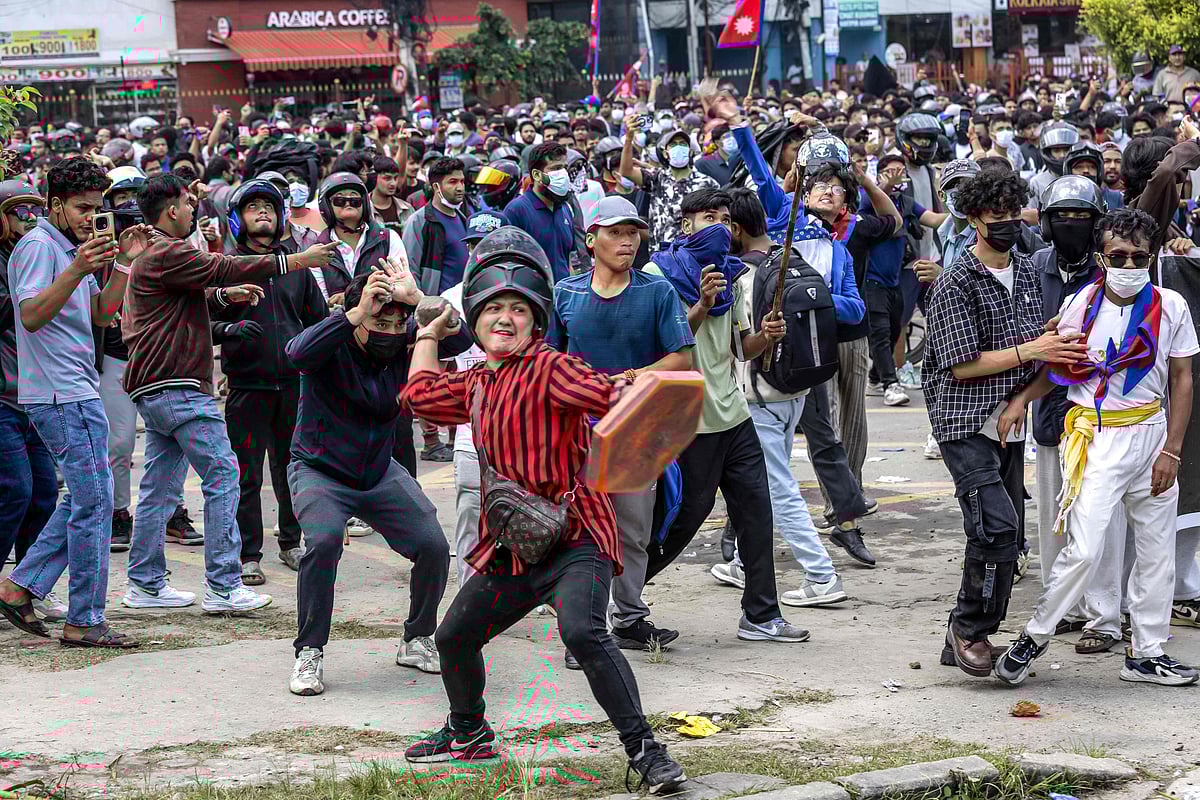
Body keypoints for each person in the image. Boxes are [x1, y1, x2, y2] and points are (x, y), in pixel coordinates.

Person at [401, 227, 687, 795]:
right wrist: (428, 334)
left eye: (518, 309)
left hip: (575, 539)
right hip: (510, 547)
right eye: (492, 309)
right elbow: (418, 396)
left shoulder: (552, 368)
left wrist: (634, 390)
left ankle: (647, 754)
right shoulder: (477, 382)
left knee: (583, 632)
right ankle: (470, 732)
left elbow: (610, 396)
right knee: (455, 637)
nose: (504, 318)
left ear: (536, 320)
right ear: (476, 320)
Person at [994, 207, 1199, 687]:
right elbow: (1056, 366)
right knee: (1084, 549)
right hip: (1096, 438)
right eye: (1119, 257)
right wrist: (1020, 400)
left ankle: (1147, 652)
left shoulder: (1171, 306)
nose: (1129, 267)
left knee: (1156, 552)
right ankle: (1035, 634)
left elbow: (1184, 378)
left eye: (1139, 258)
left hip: (1151, 434)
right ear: (1101, 256)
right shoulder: (1080, 304)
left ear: (1152, 258)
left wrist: (1172, 450)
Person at [120, 174, 337, 613]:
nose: (194, 208)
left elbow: (195, 291)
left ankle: (145, 583)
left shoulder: (159, 254)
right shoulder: (167, 250)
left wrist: (223, 295)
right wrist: (297, 259)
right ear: (172, 211)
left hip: (158, 389)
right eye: (187, 201)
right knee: (226, 476)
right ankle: (224, 583)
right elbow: (223, 266)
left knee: (160, 490)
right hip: (179, 387)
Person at [922, 169, 1088, 677]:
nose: (1009, 225)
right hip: (963, 417)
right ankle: (971, 629)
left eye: (1015, 216)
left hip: (1008, 419)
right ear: (974, 219)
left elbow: (1028, 348)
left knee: (1007, 538)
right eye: (998, 218)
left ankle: (965, 634)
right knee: (996, 525)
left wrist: (1044, 344)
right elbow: (962, 364)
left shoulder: (1024, 269)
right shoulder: (956, 282)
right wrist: (1033, 348)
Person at [285, 262, 469, 696]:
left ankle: (418, 636)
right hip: (320, 470)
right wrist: (353, 313)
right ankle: (309, 651)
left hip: (378, 472)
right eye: (377, 320)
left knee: (433, 545)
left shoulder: (403, 342)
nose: (388, 329)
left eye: (395, 321)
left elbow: (459, 335)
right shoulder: (332, 343)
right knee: (325, 541)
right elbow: (296, 353)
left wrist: (416, 299)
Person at [643, 188, 809, 641]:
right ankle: (612, 598)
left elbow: (740, 347)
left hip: (733, 415)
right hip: (689, 423)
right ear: (685, 226)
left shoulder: (732, 275)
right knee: (680, 522)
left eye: (723, 217)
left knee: (756, 511)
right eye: (706, 217)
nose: (717, 225)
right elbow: (666, 349)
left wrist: (766, 337)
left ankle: (760, 614)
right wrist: (698, 303)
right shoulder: (657, 276)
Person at [0, 158, 148, 647]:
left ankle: (20, 586)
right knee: (95, 502)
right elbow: (32, 314)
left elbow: (102, 314)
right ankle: (83, 618)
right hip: (61, 394)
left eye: (97, 207)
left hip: (76, 390)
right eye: (83, 207)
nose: (91, 216)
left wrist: (123, 263)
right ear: (55, 204)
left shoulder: (68, 248)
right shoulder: (39, 246)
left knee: (89, 498)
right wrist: (80, 267)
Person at [546, 195, 695, 663]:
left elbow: (681, 359)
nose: (627, 240)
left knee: (633, 529)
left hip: (636, 429)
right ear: (591, 240)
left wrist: (630, 377)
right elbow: (547, 359)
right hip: (577, 431)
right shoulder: (565, 293)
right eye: (615, 232)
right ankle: (580, 628)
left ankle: (629, 616)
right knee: (580, 531)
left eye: (633, 232)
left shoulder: (657, 291)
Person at [714, 187, 855, 607]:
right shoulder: (791, 259)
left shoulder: (742, 277)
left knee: (778, 487)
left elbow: (739, 345)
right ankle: (741, 560)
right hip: (796, 388)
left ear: (735, 228)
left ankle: (821, 576)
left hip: (759, 396)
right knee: (751, 481)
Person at [215, 179, 327, 586]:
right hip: (247, 386)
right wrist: (229, 330)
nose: (262, 212)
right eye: (252, 207)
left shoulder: (297, 266)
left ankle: (291, 542)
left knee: (292, 469)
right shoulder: (225, 267)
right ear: (237, 219)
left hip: (294, 387)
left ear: (281, 217)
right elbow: (204, 320)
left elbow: (317, 321)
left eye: (269, 206)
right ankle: (248, 554)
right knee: (246, 474)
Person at [0, 179, 60, 619]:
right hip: (3, 397)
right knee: (14, 491)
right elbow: (21, 311)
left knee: (44, 493)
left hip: (36, 396)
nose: (27, 219)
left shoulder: (39, 253)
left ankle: (27, 584)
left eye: (31, 210)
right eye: (17, 211)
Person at [619, 116, 718, 250]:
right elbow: (626, 171)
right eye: (673, 144)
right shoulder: (656, 178)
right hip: (661, 256)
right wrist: (629, 139)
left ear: (690, 151)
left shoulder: (707, 183)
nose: (678, 147)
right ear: (665, 153)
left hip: (695, 254)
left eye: (683, 144)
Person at [316, 172, 409, 303]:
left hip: (383, 318)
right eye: (340, 200)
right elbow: (321, 301)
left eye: (355, 200)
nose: (348, 203)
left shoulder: (388, 238)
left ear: (364, 203)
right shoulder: (319, 248)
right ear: (327, 206)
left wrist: (350, 296)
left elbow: (402, 286)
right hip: (339, 321)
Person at [501, 143, 577, 283]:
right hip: (532, 299)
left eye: (564, 168)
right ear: (537, 175)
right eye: (556, 168)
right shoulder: (516, 210)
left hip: (562, 299)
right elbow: (506, 264)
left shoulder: (565, 209)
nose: (563, 174)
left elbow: (567, 261)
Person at [404, 157, 472, 297]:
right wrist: (423, 305)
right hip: (436, 306)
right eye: (452, 182)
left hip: (463, 305)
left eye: (462, 181)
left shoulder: (464, 219)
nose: (460, 187)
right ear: (436, 187)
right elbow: (410, 270)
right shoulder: (419, 221)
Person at [370, 154, 415, 236]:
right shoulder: (364, 210)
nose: (393, 183)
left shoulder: (407, 209)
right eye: (387, 178)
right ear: (374, 177)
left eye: (395, 178)